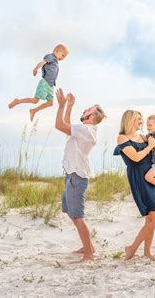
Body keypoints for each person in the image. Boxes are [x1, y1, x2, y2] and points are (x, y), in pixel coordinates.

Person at [55, 88, 106, 262]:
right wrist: (69, 106)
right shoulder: (84, 129)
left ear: (91, 117)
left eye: (88, 110)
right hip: (71, 175)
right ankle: (88, 246)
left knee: (77, 215)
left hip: (77, 177)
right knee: (70, 211)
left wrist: (61, 105)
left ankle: (89, 253)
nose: (85, 110)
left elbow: (60, 125)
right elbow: (66, 127)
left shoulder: (87, 130)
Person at [113, 110, 155, 261]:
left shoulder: (143, 137)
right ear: (130, 120)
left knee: (151, 219)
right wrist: (150, 146)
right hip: (139, 178)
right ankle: (131, 249)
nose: (141, 122)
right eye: (138, 119)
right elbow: (136, 158)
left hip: (151, 174)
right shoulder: (122, 138)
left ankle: (147, 252)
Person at [8, 44, 69, 121]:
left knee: (50, 103)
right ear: (56, 51)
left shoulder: (56, 62)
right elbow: (42, 62)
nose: (63, 58)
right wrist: (35, 69)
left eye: (65, 57)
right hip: (45, 82)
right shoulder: (51, 56)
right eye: (62, 55)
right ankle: (18, 101)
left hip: (50, 85)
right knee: (35, 101)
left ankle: (33, 111)